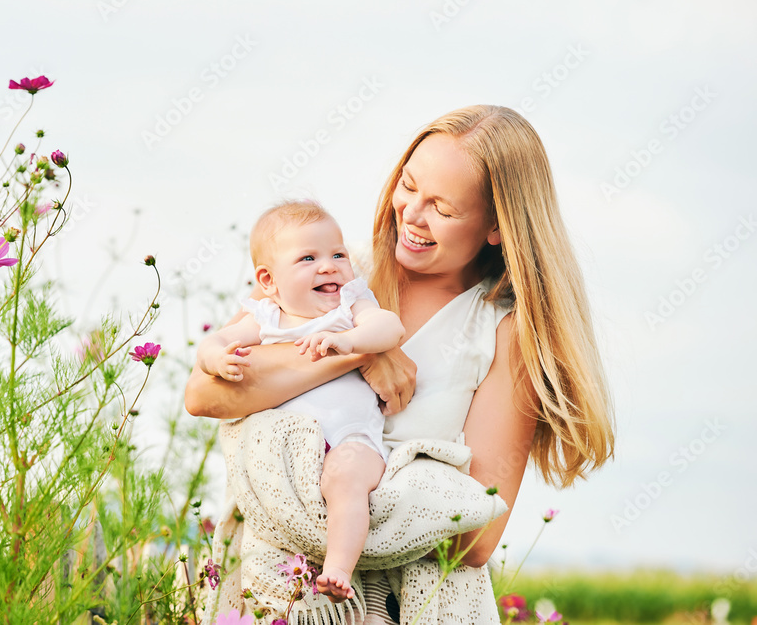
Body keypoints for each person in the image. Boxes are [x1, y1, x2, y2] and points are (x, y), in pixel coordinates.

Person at [186, 105, 615, 623]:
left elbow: (476, 536)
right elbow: (205, 395)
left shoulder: (504, 331)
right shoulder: (326, 269)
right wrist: (364, 355)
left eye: (443, 208)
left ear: (496, 227)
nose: (411, 214)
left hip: (401, 605)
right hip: (280, 593)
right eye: (408, 186)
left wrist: (338, 514)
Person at [196, 200, 405, 601]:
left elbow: (389, 326)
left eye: (338, 255)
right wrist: (216, 358)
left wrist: (350, 342)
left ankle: (338, 569)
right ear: (269, 280)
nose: (329, 267)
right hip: (287, 451)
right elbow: (215, 341)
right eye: (309, 258)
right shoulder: (267, 317)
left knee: (346, 479)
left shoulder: (350, 306)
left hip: (350, 439)